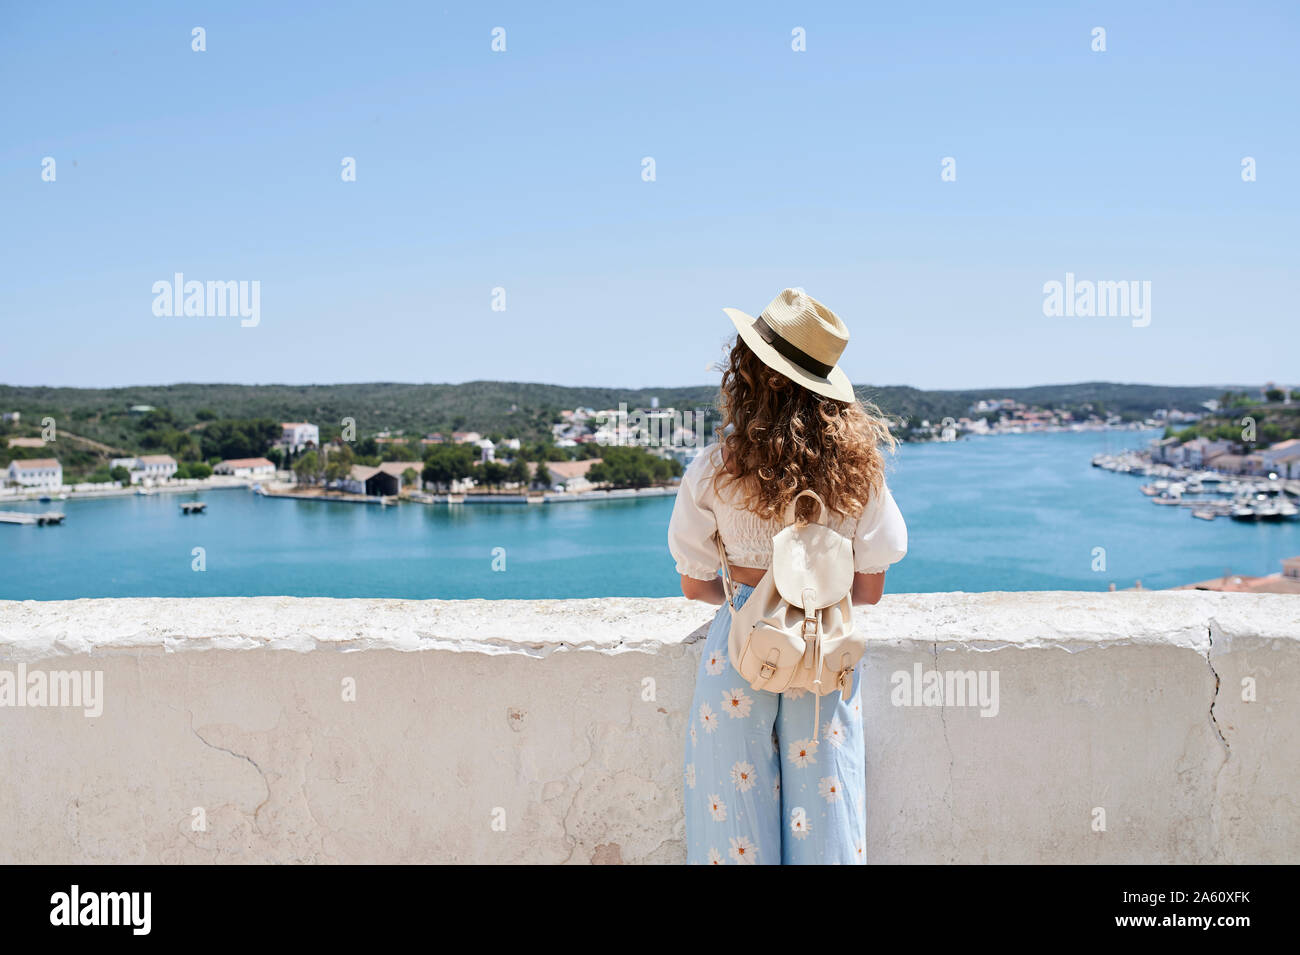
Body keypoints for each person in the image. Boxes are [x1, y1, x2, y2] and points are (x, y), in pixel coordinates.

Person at [668, 287, 907, 864]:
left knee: (730, 819)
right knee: (829, 809)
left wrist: (750, 588)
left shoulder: (714, 470)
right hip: (826, 653)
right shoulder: (860, 477)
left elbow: (696, 584)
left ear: (747, 375)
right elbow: (869, 590)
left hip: (743, 650)